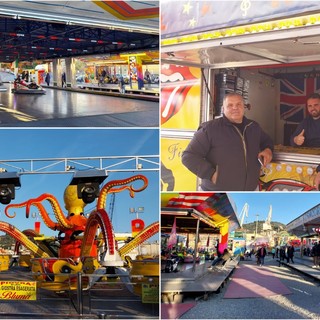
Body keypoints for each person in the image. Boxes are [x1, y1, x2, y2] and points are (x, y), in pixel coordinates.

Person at [181, 92, 274, 191]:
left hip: (250, 191)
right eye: (230, 105)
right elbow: (188, 156)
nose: (235, 108)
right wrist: (211, 174)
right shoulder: (209, 129)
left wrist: (268, 150)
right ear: (223, 109)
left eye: (239, 104)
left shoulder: (253, 127)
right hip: (218, 193)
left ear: (244, 107)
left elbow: (267, 141)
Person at [290, 93, 320, 190]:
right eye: (310, 106)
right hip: (308, 160)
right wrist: (296, 140)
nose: (313, 108)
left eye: (316, 105)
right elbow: (292, 140)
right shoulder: (306, 121)